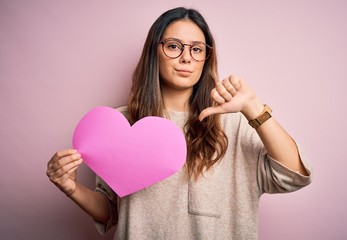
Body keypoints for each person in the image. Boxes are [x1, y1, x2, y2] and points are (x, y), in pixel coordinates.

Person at [46, 7, 312, 240]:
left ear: (206, 58)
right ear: (155, 51)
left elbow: (293, 176)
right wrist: (71, 188)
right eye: (174, 46)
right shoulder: (120, 124)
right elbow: (111, 210)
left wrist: (253, 107)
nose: (186, 58)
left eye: (197, 49)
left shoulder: (235, 123)